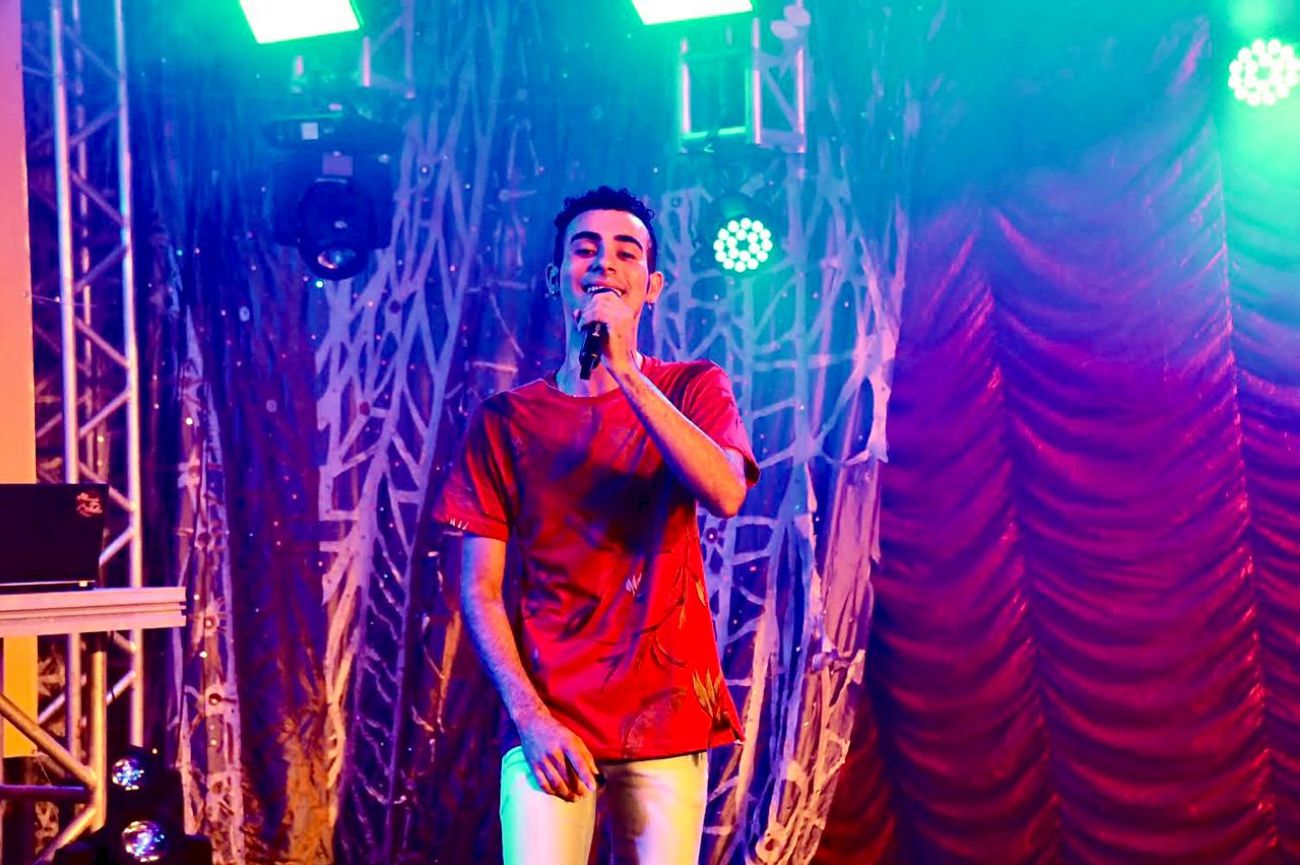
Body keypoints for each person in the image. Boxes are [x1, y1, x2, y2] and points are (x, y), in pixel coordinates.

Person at [433, 185, 759, 864]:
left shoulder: (693, 387)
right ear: (558, 279)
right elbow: (480, 590)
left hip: (665, 714)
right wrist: (530, 718)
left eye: (626, 251)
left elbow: (726, 491)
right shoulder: (506, 421)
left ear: (652, 287)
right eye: (585, 249)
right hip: (548, 717)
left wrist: (623, 370)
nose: (605, 263)